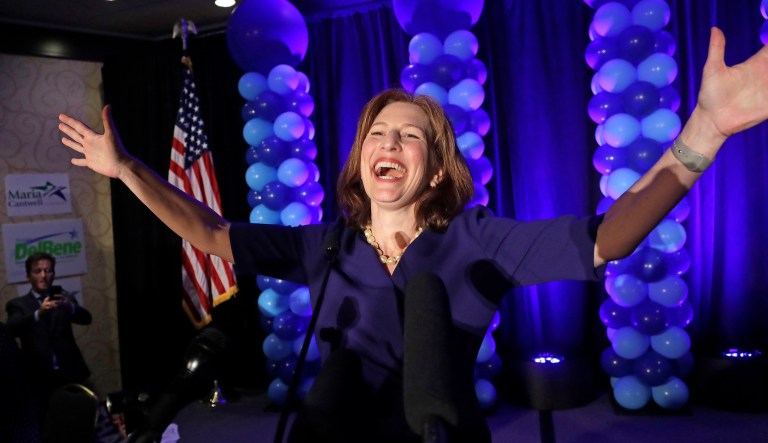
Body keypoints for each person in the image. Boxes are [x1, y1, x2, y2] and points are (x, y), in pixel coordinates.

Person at [58, 27, 767, 442]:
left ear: (435, 169)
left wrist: (702, 134)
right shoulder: (323, 245)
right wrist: (125, 170)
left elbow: (608, 237)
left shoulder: (478, 240)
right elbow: (212, 232)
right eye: (377, 132)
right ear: (361, 157)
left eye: (409, 135)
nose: (387, 141)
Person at [5, 252, 93, 424]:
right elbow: (11, 329)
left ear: (54, 273)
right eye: (38, 271)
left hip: (70, 373)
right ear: (28, 275)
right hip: (39, 377)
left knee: (78, 421)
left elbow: (87, 319)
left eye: (48, 270)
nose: (44, 276)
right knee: (47, 423)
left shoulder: (64, 297)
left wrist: (71, 308)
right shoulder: (18, 304)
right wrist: (39, 313)